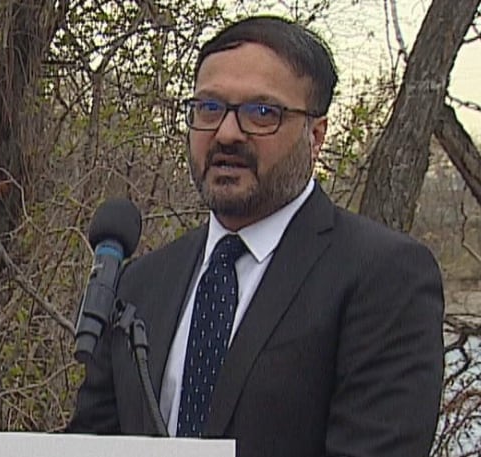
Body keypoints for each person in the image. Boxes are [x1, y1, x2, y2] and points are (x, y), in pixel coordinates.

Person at [67, 15, 444, 457]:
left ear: (315, 136)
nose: (226, 133)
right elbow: (91, 443)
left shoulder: (382, 276)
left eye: (261, 113)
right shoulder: (141, 283)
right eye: (209, 109)